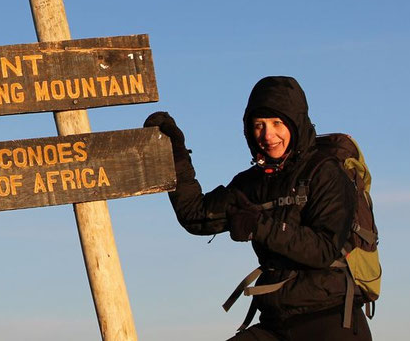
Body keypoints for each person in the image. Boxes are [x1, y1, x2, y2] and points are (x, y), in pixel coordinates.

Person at [144, 76, 372, 340]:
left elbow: (323, 249)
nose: (267, 135)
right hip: (276, 322)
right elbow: (196, 216)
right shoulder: (251, 183)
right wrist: (174, 155)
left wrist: (259, 226)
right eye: (258, 125)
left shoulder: (325, 172)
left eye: (277, 123)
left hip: (331, 319)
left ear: (296, 123)